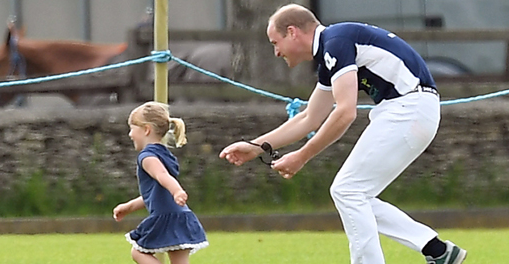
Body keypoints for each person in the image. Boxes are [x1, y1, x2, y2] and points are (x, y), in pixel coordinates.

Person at [219, 4, 466, 264]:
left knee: (348, 191)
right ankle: (437, 250)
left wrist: (302, 156)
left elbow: (346, 112)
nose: (275, 51)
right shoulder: (332, 49)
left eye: (275, 42)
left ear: (292, 32)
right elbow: (308, 117)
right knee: (354, 194)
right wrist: (256, 146)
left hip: (408, 110)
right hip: (410, 110)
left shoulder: (336, 43)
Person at [114, 101, 208, 264]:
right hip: (182, 215)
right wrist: (128, 207)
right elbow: (154, 193)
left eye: (132, 128)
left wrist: (177, 191)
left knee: (138, 252)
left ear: (146, 129)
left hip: (166, 218)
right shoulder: (165, 154)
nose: (130, 134)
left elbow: (162, 176)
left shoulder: (147, 157)